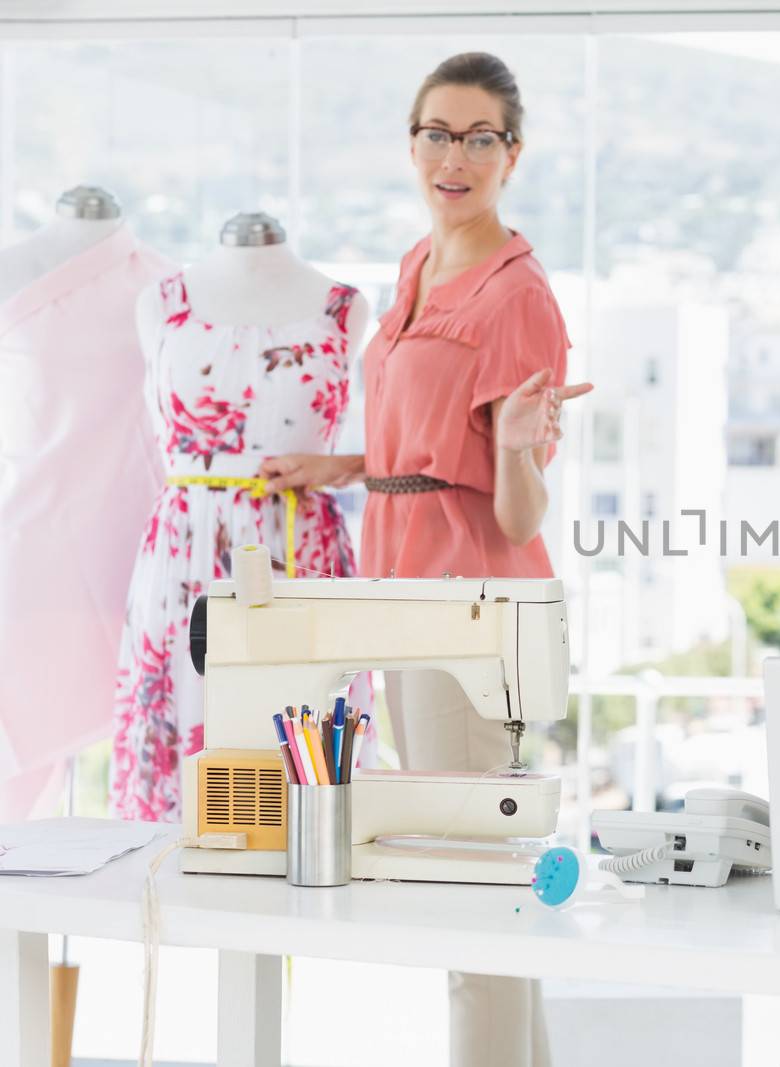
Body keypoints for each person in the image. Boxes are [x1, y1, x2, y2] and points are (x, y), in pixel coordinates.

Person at [260, 52, 591, 1067]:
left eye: (478, 137)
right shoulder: (415, 266)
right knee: (463, 879)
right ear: (412, 143)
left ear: (512, 155)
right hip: (403, 590)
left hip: (471, 608)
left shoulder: (517, 293)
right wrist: (344, 463)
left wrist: (527, 438)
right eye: (437, 133)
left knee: (467, 887)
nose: (455, 156)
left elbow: (515, 502)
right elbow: (424, 444)